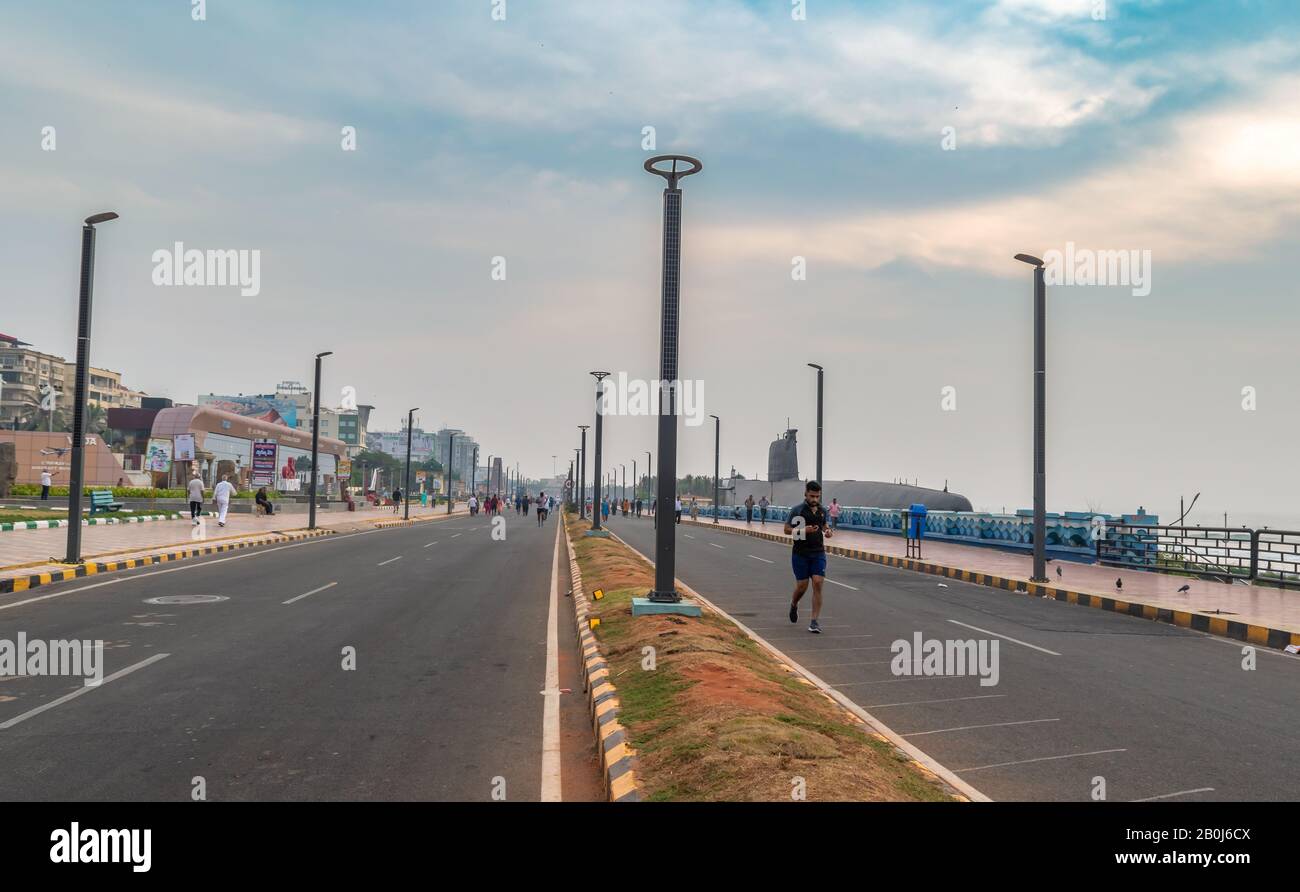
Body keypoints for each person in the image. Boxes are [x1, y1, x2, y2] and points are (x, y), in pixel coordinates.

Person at [785, 480, 832, 634]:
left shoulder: (822, 511)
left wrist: (828, 531)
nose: (814, 500)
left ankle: (814, 622)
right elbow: (786, 530)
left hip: (818, 552)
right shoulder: (797, 510)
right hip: (800, 554)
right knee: (802, 586)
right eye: (812, 496)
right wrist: (803, 530)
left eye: (817, 496)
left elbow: (824, 524)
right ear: (805, 494)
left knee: (818, 583)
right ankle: (793, 604)